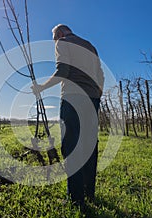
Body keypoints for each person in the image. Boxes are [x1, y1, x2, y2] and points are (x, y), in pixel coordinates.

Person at [31, 24, 104, 207]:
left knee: (71, 147)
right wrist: (96, 94)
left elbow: (63, 71)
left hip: (73, 98)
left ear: (60, 33)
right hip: (92, 99)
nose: (55, 42)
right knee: (89, 146)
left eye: (54, 38)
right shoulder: (89, 45)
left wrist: (41, 87)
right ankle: (89, 193)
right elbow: (100, 75)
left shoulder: (63, 42)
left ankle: (76, 199)